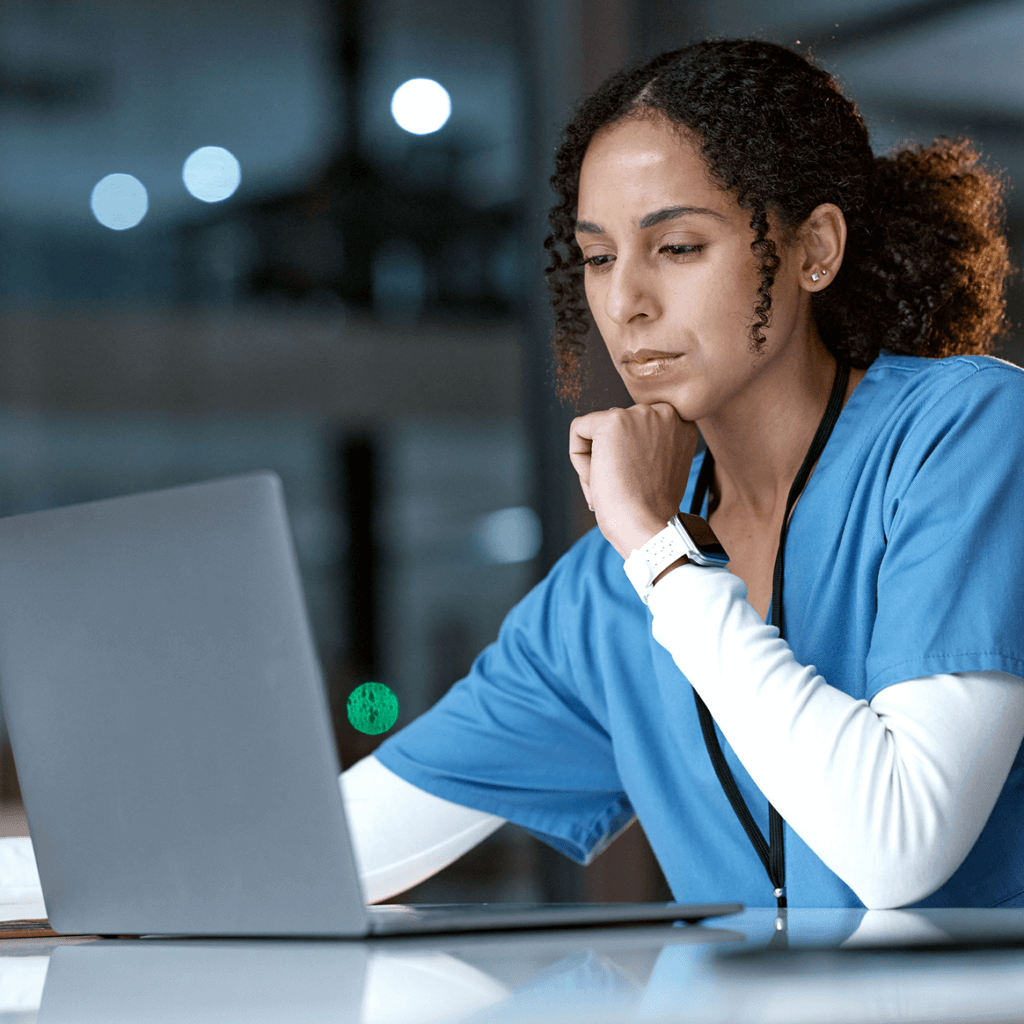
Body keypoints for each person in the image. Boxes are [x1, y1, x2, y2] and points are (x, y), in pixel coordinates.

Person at [343, 39, 1024, 911]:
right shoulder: (602, 595)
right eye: (597, 257)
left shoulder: (960, 435)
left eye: (677, 247)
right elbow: (328, 859)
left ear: (814, 249)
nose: (626, 302)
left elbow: (896, 847)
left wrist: (665, 557)